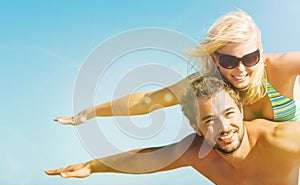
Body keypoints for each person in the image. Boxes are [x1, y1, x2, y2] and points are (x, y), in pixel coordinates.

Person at [46, 76, 300, 185]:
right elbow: (145, 159)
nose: (224, 127)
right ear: (195, 126)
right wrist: (92, 167)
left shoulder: (281, 139)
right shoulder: (197, 152)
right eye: (209, 121)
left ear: (242, 111)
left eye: (229, 113)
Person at [54, 10, 300, 126]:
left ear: (260, 50)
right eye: (228, 61)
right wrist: (88, 113)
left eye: (250, 58)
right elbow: (148, 101)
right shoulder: (210, 84)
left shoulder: (280, 67)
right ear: (215, 59)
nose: (240, 70)